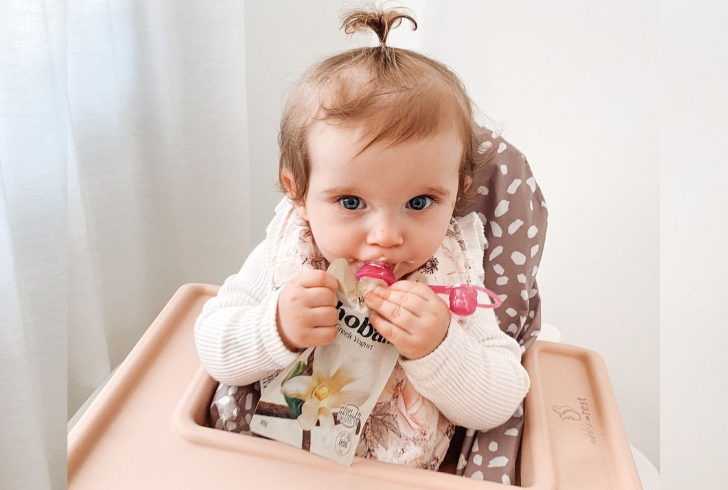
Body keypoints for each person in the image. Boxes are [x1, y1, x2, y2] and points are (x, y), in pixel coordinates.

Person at [195, 6, 530, 471]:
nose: (386, 236)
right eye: (351, 203)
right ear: (299, 192)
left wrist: (439, 347)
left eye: (419, 203)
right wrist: (275, 327)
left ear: (458, 193)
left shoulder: (451, 271)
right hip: (264, 465)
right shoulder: (291, 248)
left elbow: (501, 399)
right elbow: (212, 345)